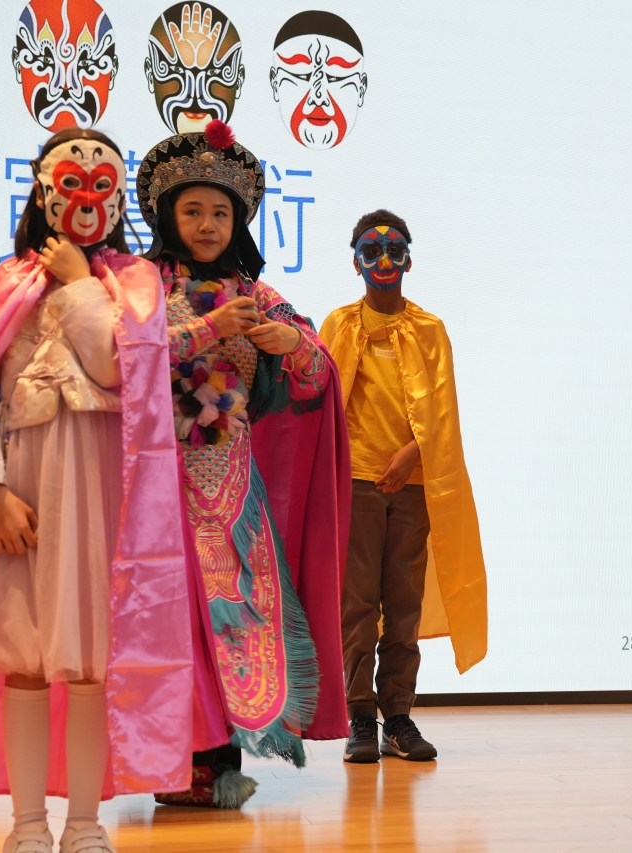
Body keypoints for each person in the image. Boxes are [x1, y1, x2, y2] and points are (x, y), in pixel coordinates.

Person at [0, 128, 197, 853]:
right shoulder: (6, 286)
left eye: (101, 186)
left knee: (89, 667)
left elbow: (115, 369)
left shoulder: (135, 286)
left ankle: (83, 823)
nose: (85, 199)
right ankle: (27, 825)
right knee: (22, 660)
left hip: (102, 501)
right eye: (70, 184)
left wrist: (80, 281)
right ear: (44, 191)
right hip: (23, 494)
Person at [134, 120, 350, 808]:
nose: (207, 225)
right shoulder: (140, 286)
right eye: (193, 210)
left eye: (220, 213)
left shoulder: (255, 292)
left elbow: (318, 372)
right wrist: (206, 328)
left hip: (232, 486)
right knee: (166, 623)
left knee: (232, 620)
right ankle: (165, 762)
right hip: (155, 486)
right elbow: (120, 357)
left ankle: (220, 762)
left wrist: (292, 341)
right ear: (168, 216)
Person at [321, 210, 488, 764]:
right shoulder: (338, 325)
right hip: (356, 482)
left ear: (410, 260)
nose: (384, 260)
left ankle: (398, 715)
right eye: (372, 251)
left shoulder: (429, 329)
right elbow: (322, 404)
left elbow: (444, 412)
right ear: (356, 262)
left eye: (395, 250)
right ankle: (359, 717)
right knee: (357, 605)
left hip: (413, 484)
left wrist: (413, 454)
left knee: (403, 604)